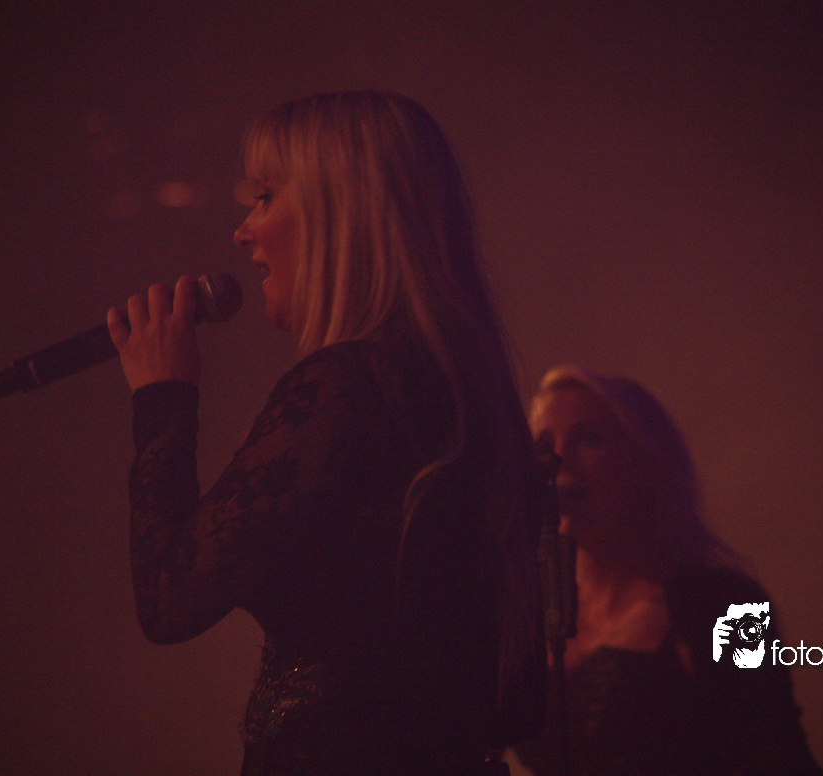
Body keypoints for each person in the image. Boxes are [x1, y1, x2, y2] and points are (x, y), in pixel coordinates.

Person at [107, 91, 545, 776]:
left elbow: (169, 599)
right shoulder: (470, 394)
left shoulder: (345, 387)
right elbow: (515, 701)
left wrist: (163, 397)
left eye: (264, 198)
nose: (242, 232)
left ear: (341, 211)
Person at [511, 366, 823, 775]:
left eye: (589, 438)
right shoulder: (530, 607)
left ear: (646, 462)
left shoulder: (729, 606)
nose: (559, 460)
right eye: (543, 445)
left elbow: (778, 757)